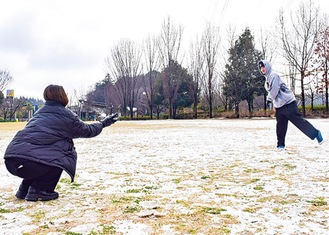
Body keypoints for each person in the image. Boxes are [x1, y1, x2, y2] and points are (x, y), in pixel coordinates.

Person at [4, 84, 118, 201]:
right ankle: (40, 190)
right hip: (31, 162)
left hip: (12, 160)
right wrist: (103, 123)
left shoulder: (39, 113)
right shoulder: (66, 115)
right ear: (63, 96)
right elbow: (87, 130)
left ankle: (24, 189)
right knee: (59, 156)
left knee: (41, 154)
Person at [258, 60, 323, 150]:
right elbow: (273, 93)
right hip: (279, 106)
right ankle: (280, 145)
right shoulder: (267, 80)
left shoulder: (274, 75)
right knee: (280, 126)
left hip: (288, 103)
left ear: (267, 66)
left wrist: (269, 99)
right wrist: (274, 105)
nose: (262, 69)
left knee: (299, 122)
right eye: (261, 68)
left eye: (263, 66)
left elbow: (275, 90)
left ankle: (316, 134)